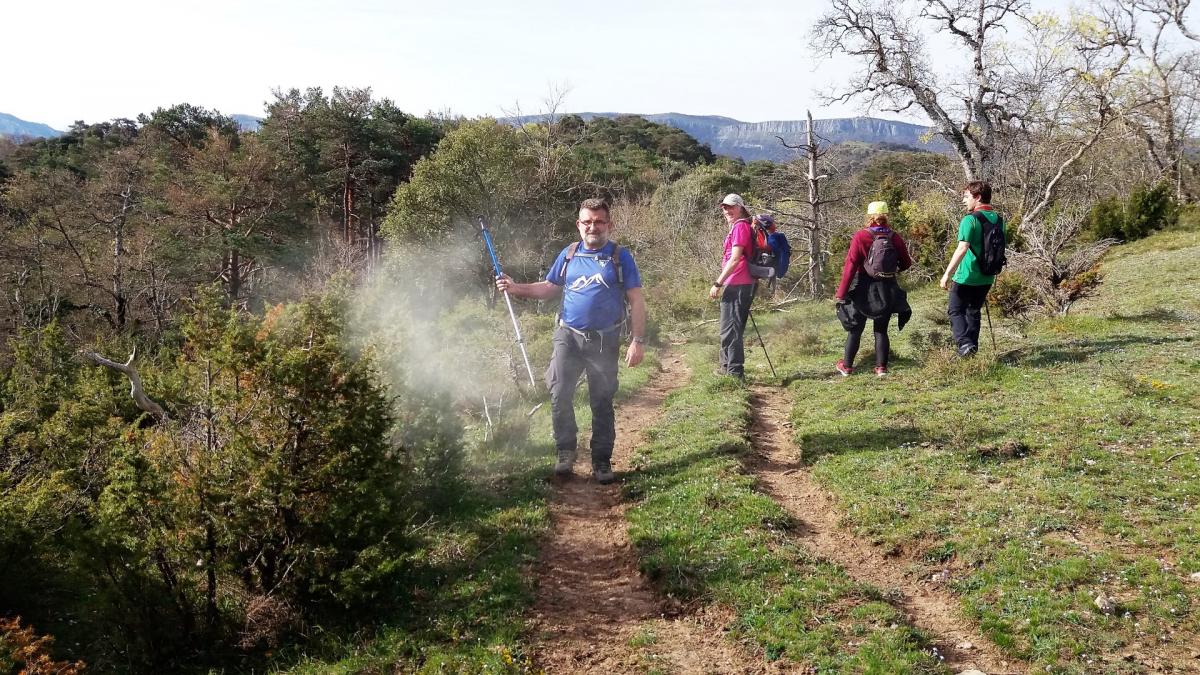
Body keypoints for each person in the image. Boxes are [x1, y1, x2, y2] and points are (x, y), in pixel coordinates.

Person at [495, 198, 646, 484]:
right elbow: (549, 287)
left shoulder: (619, 256)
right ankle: (565, 451)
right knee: (559, 392)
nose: (593, 227)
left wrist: (637, 340)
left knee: (601, 400)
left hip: (604, 339)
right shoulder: (569, 254)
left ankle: (601, 460)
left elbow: (636, 299)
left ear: (609, 225)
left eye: (599, 221)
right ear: (578, 225)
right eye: (587, 221)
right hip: (568, 335)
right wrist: (515, 288)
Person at [833, 201, 913, 377]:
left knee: (856, 329)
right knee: (881, 330)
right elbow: (906, 263)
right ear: (886, 216)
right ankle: (881, 368)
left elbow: (850, 266)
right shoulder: (894, 237)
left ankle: (846, 367)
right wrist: (891, 270)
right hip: (887, 287)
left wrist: (841, 293)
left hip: (863, 287)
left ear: (869, 217)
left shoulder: (861, 236)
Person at [940, 181, 1002, 357]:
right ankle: (970, 352)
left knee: (955, 310)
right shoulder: (999, 220)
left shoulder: (970, 220)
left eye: (967, 196)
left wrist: (946, 274)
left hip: (966, 275)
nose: (964, 200)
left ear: (978, 197)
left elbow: (962, 248)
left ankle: (964, 343)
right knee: (973, 311)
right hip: (987, 276)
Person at [709, 193, 756, 378]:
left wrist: (717, 283)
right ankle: (726, 368)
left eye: (730, 206)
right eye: (724, 207)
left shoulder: (741, 227)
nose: (727, 210)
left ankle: (735, 373)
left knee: (732, 329)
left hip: (739, 283)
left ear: (740, 207)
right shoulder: (739, 226)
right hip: (738, 283)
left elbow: (735, 258)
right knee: (728, 328)